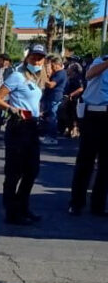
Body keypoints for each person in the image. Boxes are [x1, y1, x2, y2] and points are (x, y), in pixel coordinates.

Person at [0, 45, 47, 225]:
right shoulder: (17, 76)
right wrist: (11, 109)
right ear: (27, 58)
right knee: (14, 171)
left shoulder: (39, 79)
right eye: (34, 57)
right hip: (18, 126)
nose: (37, 61)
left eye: (40, 58)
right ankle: (11, 212)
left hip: (32, 126)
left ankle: (23, 206)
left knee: (32, 170)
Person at [68, 53, 108, 216]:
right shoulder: (101, 61)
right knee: (85, 162)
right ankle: (77, 203)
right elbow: (89, 74)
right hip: (94, 115)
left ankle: (98, 205)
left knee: (106, 165)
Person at [41, 55, 67, 144]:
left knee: (53, 118)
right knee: (48, 117)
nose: (51, 67)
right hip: (51, 96)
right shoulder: (56, 73)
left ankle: (53, 137)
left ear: (56, 64)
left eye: (52, 65)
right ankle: (48, 135)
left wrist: (43, 79)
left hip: (55, 97)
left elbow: (51, 84)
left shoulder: (61, 73)